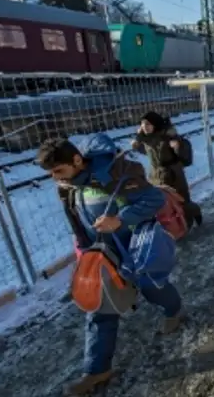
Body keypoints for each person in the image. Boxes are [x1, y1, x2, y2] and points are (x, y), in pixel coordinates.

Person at [36, 136, 185, 395]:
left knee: (153, 288)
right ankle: (97, 369)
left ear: (77, 160)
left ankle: (175, 310)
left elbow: (152, 200)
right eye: (50, 173)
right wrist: (84, 252)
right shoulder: (68, 186)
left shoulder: (116, 175)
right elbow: (76, 222)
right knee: (99, 309)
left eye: (58, 170)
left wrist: (119, 219)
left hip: (135, 249)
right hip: (102, 255)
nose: (55, 177)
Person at [131, 111, 203, 228]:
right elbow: (142, 150)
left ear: (155, 124)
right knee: (161, 204)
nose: (145, 127)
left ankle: (191, 218)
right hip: (156, 175)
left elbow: (183, 153)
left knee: (181, 201)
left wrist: (177, 145)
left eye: (148, 124)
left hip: (173, 175)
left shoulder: (167, 136)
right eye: (142, 124)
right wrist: (138, 138)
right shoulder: (146, 138)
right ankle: (170, 227)